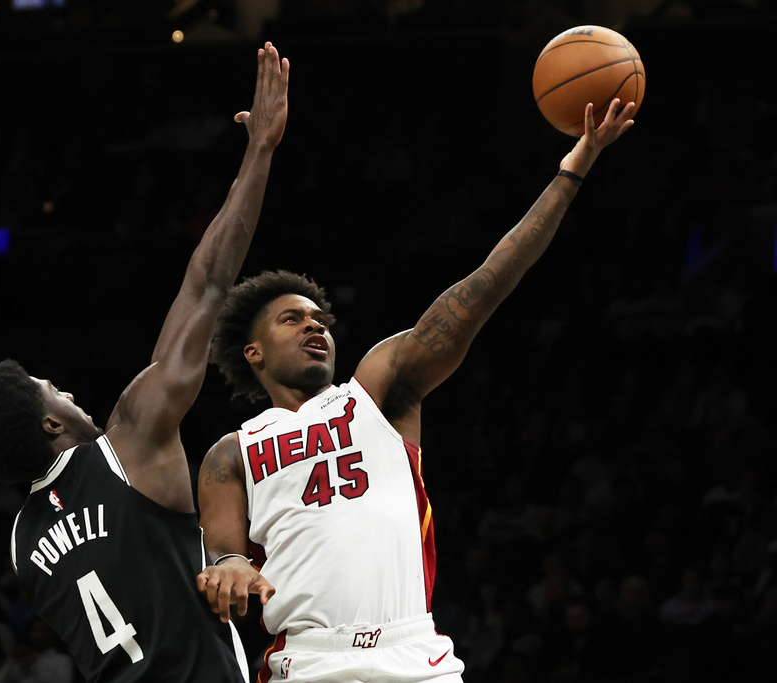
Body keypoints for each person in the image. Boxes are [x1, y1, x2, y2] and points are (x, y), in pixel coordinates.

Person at [196, 99, 637, 682]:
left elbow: (482, 287)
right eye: (292, 319)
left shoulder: (375, 393)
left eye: (320, 319)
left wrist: (571, 171)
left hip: (413, 655)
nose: (314, 326)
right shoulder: (231, 452)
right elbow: (223, 552)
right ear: (252, 352)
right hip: (307, 660)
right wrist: (228, 567)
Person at [0, 41, 288, 682]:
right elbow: (208, 284)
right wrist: (259, 152)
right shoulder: (126, 441)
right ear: (50, 425)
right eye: (50, 390)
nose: (67, 391)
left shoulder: (24, 547)